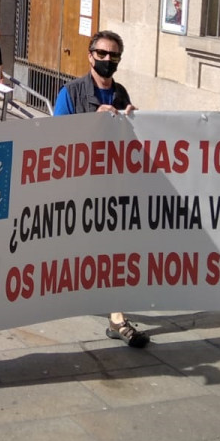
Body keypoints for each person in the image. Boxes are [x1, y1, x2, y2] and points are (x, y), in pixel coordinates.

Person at [52, 30, 148, 347]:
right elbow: (54, 140)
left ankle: (117, 317)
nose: (108, 59)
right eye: (102, 54)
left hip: (113, 187)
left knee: (114, 250)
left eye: (114, 55)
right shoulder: (71, 93)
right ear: (90, 56)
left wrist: (135, 123)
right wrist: (92, 121)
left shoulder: (121, 93)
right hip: (79, 187)